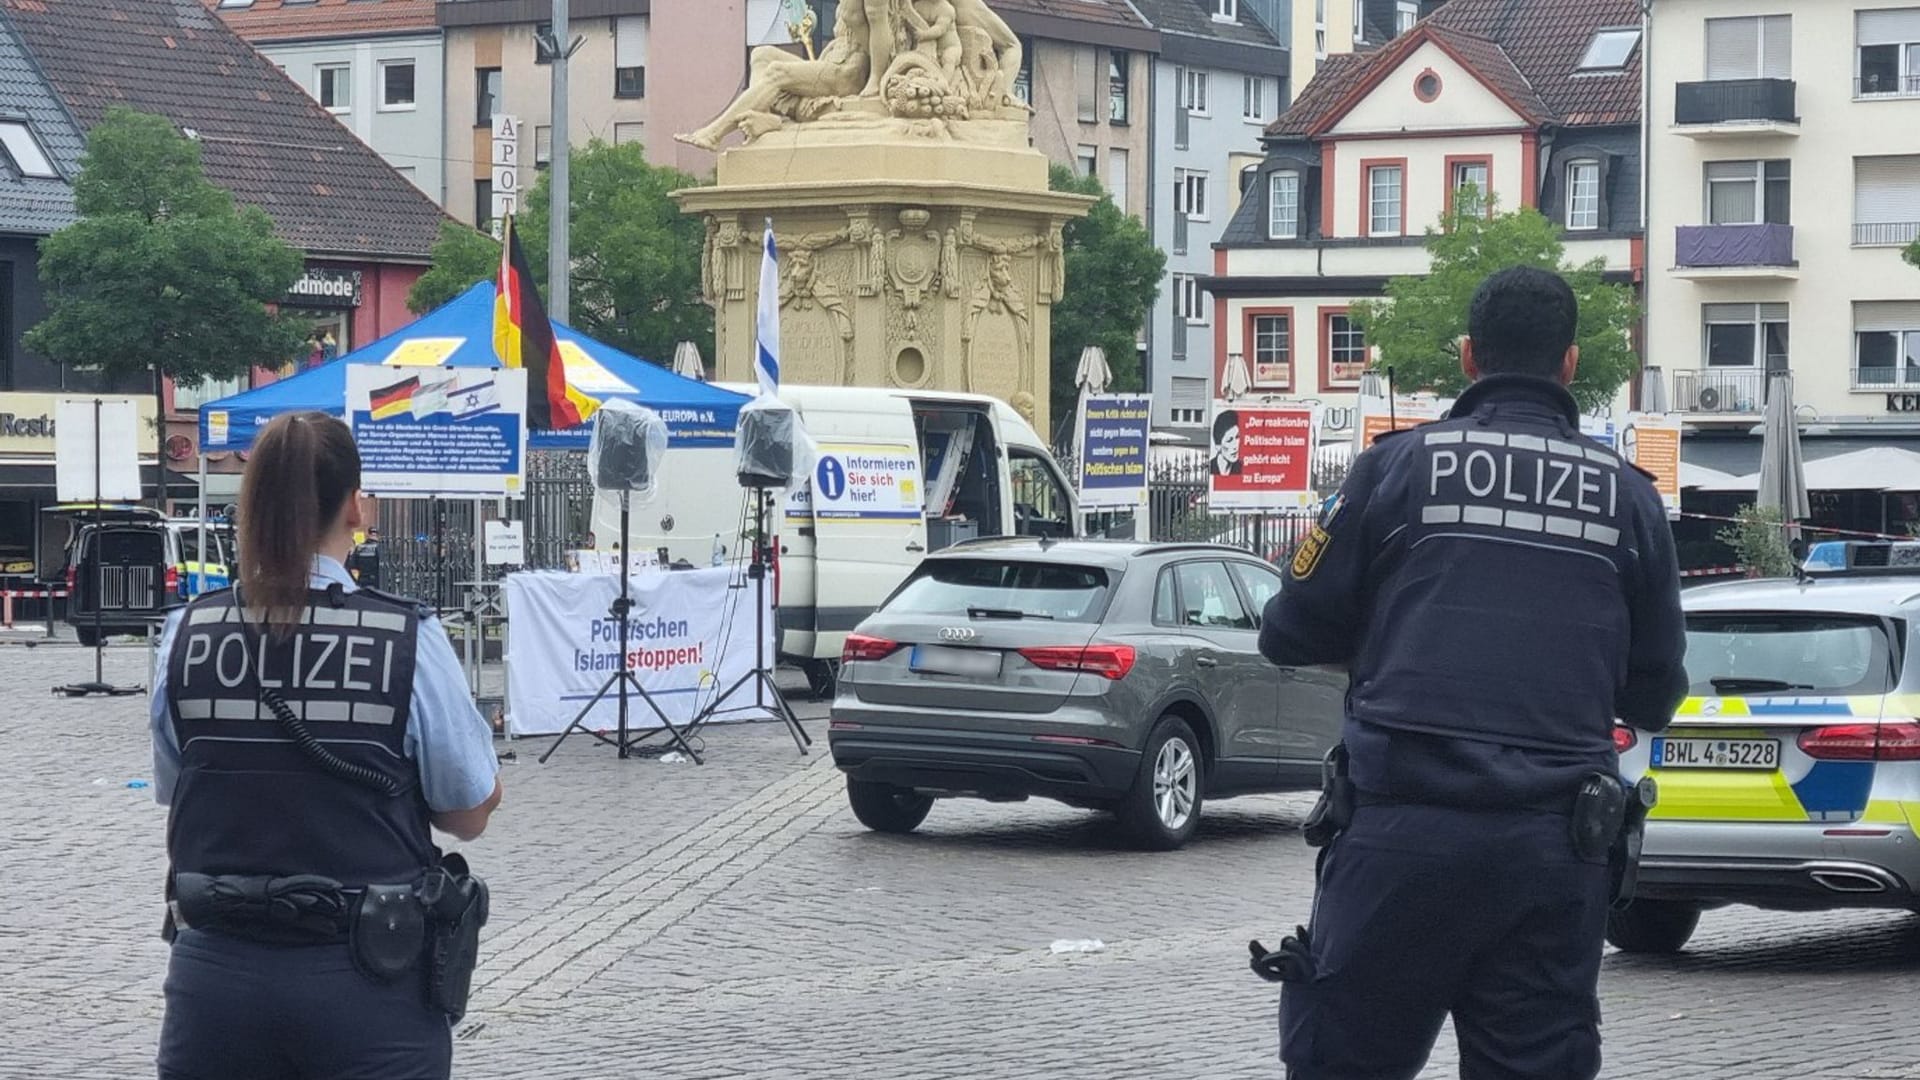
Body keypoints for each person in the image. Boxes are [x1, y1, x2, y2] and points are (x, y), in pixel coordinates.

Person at [1256, 267, 1687, 1080]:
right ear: (1568, 362)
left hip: (1399, 839)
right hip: (1555, 853)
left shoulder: (1393, 471)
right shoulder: (1629, 503)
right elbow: (1656, 692)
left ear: (1465, 357)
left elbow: (1287, 631)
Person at [149, 411, 502, 1080]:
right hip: (367, 983)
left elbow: (179, 787)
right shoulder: (407, 639)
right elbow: (467, 813)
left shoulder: (186, 634)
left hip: (216, 984)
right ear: (354, 505)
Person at [1212, 410, 1242, 476]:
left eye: (1237, 437)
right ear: (1218, 446)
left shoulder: (1242, 469)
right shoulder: (1210, 468)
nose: (1235, 446)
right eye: (1229, 440)